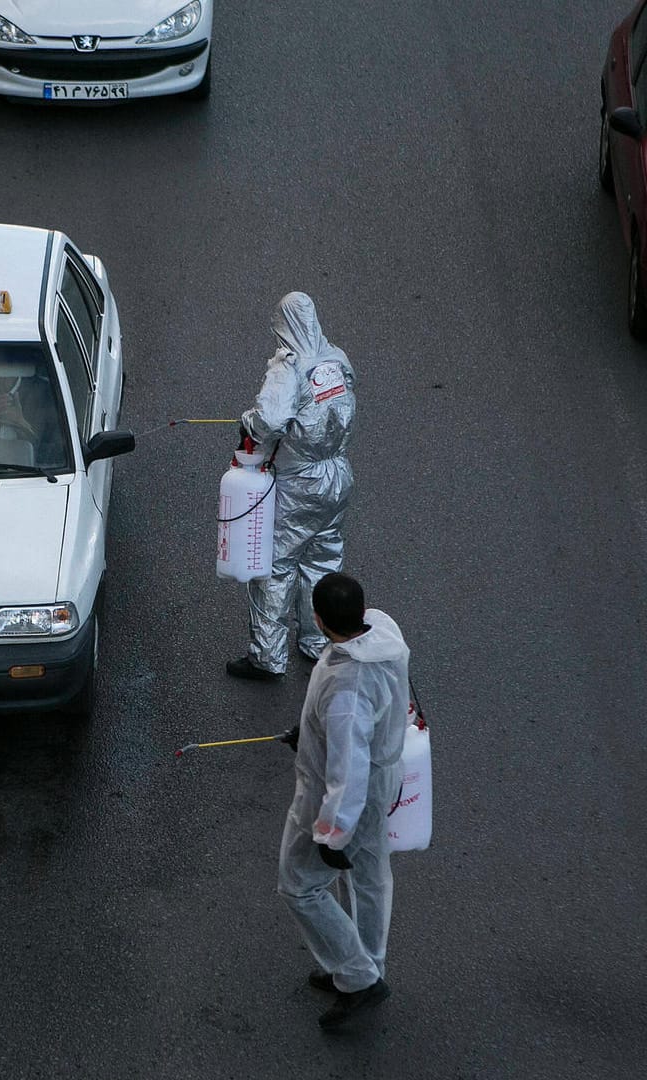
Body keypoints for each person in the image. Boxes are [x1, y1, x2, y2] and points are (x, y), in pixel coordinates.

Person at [277, 572, 411, 1029]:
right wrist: (311, 728)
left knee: (300, 885)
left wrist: (330, 832)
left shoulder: (347, 687)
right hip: (383, 780)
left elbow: (346, 769)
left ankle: (357, 978)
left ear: (317, 619)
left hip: (346, 796)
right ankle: (367, 961)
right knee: (370, 879)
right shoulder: (383, 631)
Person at [227, 292, 355, 680]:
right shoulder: (336, 359)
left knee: (276, 567)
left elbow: (269, 421)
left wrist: (248, 422)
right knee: (322, 559)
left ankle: (267, 657)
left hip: (300, 481)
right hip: (338, 474)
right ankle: (317, 640)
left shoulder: (290, 367)